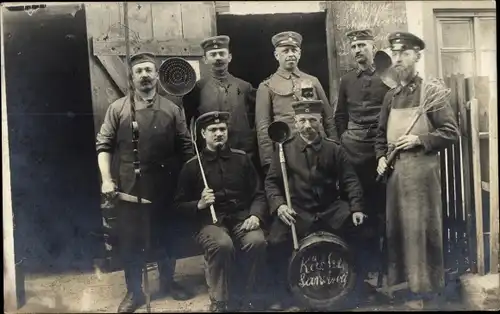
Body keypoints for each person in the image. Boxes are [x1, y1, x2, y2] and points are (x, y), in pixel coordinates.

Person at [95, 52, 194, 312]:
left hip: (166, 185)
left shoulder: (173, 109)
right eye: (139, 71)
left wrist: (188, 182)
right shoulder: (117, 109)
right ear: (132, 77)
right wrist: (107, 180)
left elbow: (186, 148)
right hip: (130, 187)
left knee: (167, 237)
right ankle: (134, 293)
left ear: (157, 75)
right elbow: (103, 146)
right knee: (131, 241)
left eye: (149, 70)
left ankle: (168, 282)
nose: (145, 75)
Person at [374, 32, 459, 308]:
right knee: (398, 230)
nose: (398, 59)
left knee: (421, 231)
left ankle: (426, 290)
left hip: (422, 176)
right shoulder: (390, 96)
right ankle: (403, 287)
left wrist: (419, 140)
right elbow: (379, 135)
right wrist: (380, 158)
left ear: (416, 57)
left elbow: (451, 132)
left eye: (405, 54)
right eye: (395, 54)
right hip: (396, 176)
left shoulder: (431, 93)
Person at [265, 99, 366, 310]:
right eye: (302, 120)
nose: (308, 125)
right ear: (295, 122)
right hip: (298, 210)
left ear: (320, 121)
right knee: (275, 239)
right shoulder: (285, 150)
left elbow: (350, 180)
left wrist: (356, 208)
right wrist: (280, 205)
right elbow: (272, 182)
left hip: (331, 208)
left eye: (312, 120)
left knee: (363, 230)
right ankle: (282, 293)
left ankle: (357, 287)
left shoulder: (334, 149)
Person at [174, 111, 268, 312]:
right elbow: (178, 206)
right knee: (222, 244)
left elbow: (259, 193)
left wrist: (255, 215)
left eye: (222, 129)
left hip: (241, 219)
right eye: (213, 130)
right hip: (209, 223)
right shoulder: (191, 167)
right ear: (203, 134)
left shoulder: (242, 159)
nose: (218, 133)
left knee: (256, 241)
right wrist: (198, 204)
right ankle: (220, 301)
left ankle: (248, 298)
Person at [333, 29, 391, 296]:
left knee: (382, 210)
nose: (358, 50)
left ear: (373, 47)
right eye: (354, 45)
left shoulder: (386, 78)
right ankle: (358, 272)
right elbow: (339, 116)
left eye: (363, 45)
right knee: (357, 209)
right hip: (353, 151)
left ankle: (384, 269)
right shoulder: (346, 80)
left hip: (381, 153)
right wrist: (343, 141)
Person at [255, 31, 336, 175]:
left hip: (318, 147)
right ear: (276, 55)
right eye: (285, 51)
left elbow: (328, 117)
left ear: (299, 53)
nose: (290, 54)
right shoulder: (267, 86)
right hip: (287, 149)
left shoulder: (313, 81)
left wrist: (335, 147)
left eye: (294, 50)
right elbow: (263, 126)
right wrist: (268, 161)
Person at [183, 35, 257, 162]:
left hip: (241, 155)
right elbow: (187, 124)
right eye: (213, 54)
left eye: (222, 53)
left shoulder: (245, 87)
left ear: (229, 57)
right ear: (205, 59)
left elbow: (256, 120)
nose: (218, 58)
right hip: (209, 157)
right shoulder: (197, 88)